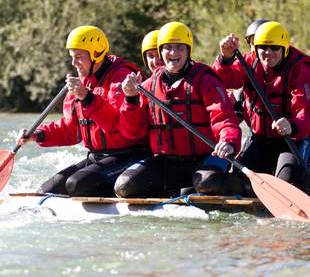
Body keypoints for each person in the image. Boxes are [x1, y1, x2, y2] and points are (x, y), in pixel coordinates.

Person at [16, 25, 151, 197]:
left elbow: (116, 125)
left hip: (128, 155)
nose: (74, 63)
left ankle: (121, 188)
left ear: (96, 53)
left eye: (79, 57)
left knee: (76, 184)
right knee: (47, 190)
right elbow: (71, 130)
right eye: (72, 57)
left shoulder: (121, 78)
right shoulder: (82, 83)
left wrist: (86, 97)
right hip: (97, 156)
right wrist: (38, 135)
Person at [115, 21, 242, 198]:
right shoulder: (147, 87)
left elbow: (225, 119)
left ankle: (240, 185)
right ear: (161, 51)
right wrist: (130, 99)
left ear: (188, 50)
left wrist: (228, 142)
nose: (173, 53)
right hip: (167, 161)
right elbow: (133, 132)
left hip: (206, 157)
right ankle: (180, 190)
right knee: (124, 187)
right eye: (168, 48)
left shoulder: (206, 80)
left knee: (205, 183)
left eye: (179, 48)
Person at [213, 21, 310, 194]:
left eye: (274, 48)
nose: (268, 53)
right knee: (238, 180)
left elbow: (306, 112)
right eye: (263, 48)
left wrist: (293, 125)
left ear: (284, 48)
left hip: (292, 141)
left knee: (285, 185)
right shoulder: (250, 60)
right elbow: (224, 80)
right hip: (260, 139)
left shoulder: (301, 69)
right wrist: (225, 59)